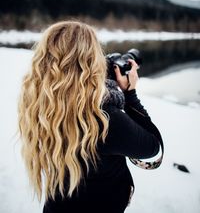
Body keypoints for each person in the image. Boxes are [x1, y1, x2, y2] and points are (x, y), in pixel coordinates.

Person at [18, 20, 163, 213]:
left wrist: (99, 84)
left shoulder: (43, 105)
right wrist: (130, 94)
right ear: (91, 60)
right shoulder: (104, 120)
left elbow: (73, 93)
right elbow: (153, 148)